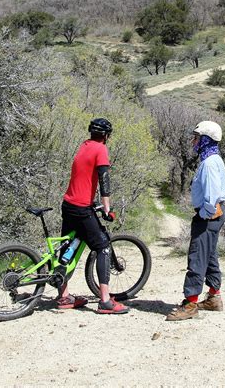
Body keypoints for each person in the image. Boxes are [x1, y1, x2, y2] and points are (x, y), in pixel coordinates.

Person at [57, 118, 129, 315]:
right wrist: (107, 209)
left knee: (66, 247)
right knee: (103, 246)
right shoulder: (100, 149)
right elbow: (104, 180)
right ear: (106, 135)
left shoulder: (84, 146)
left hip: (69, 204)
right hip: (81, 208)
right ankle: (105, 301)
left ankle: (64, 296)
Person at [167, 120, 225, 321]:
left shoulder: (209, 163)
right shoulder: (214, 159)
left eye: (196, 138)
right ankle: (213, 297)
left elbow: (211, 196)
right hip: (215, 215)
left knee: (197, 257)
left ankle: (191, 303)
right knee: (209, 255)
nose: (193, 141)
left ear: (206, 140)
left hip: (208, 215)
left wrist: (203, 212)